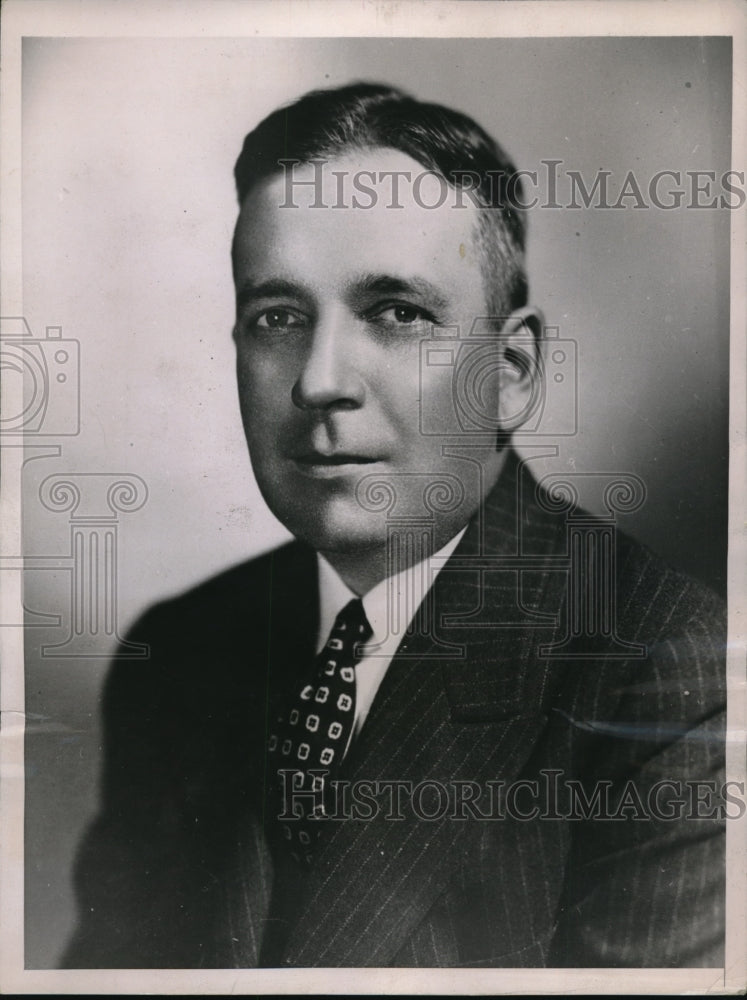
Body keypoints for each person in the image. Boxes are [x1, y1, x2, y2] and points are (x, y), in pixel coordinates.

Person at [62, 82, 726, 969]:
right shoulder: (179, 654)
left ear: (511, 372)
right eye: (279, 319)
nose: (318, 380)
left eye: (396, 314)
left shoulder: (665, 671)